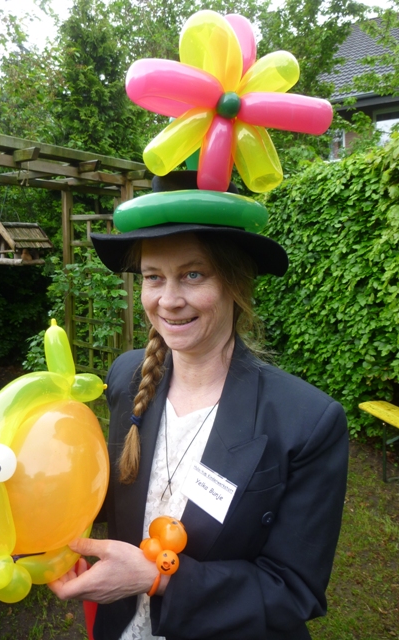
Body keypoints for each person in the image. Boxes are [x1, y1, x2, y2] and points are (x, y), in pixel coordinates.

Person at [48, 172, 349, 640]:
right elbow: (111, 494)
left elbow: (294, 591)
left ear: (235, 282)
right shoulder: (127, 377)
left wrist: (158, 579)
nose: (168, 300)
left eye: (193, 274)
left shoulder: (307, 421)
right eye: (153, 277)